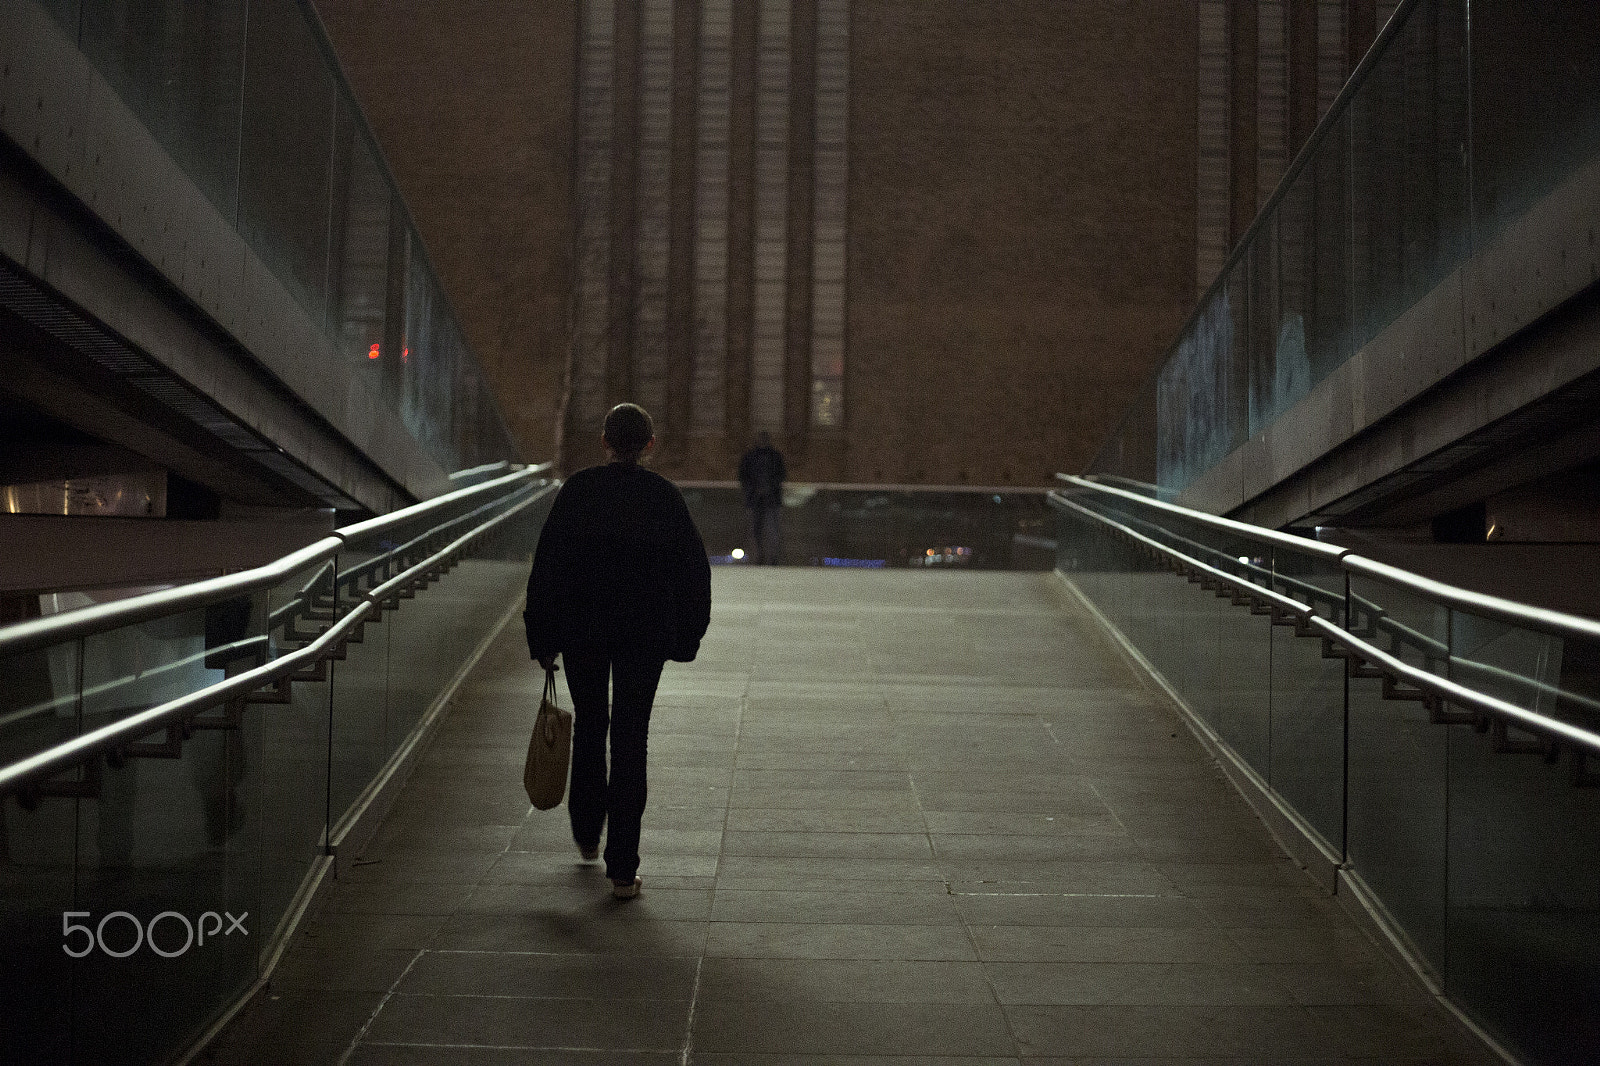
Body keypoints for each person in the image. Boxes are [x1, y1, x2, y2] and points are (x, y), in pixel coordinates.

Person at [523, 403, 712, 899]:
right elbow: (693, 571)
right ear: (649, 445)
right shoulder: (663, 498)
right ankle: (623, 868)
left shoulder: (578, 492)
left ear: (604, 441)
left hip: (584, 630)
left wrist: (543, 637)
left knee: (590, 724)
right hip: (643, 634)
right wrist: (687, 636)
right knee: (631, 739)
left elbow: (548, 566)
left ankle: (587, 832)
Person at [737, 431, 787, 564]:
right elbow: (743, 477)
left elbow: (781, 476)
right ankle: (759, 558)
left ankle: (771, 559)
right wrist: (756, 490)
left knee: (771, 530)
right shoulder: (753, 457)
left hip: (770, 500)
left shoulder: (773, 457)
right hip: (756, 499)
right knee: (756, 531)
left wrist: (766, 489)